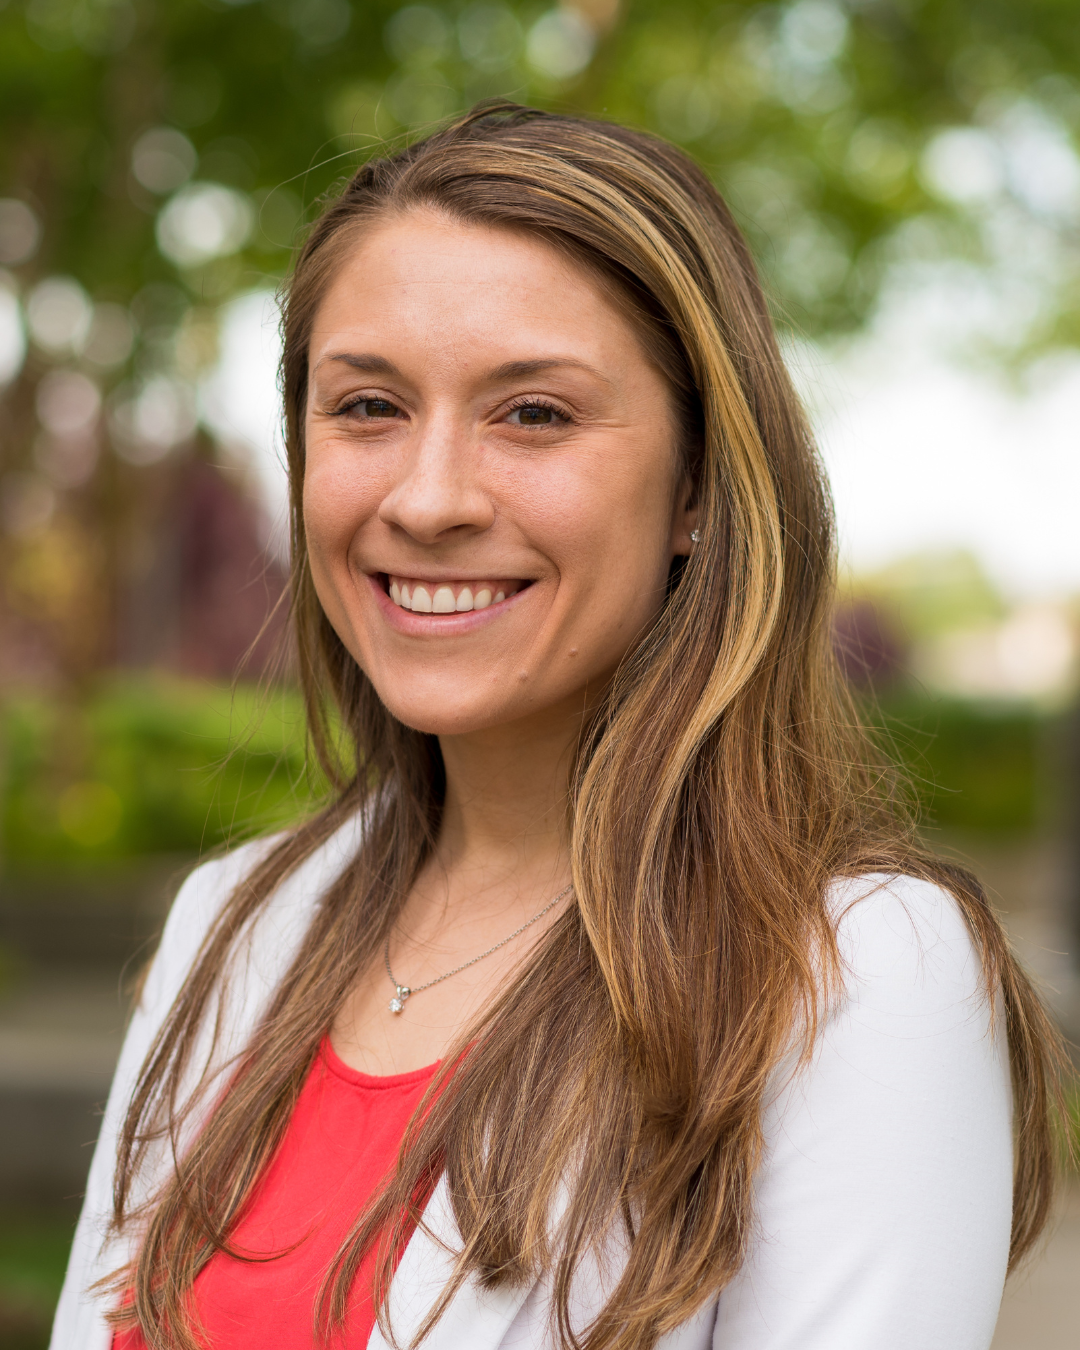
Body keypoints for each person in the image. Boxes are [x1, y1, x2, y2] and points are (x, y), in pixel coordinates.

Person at [51, 103, 1061, 1350]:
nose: (427, 499)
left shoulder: (851, 979)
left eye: (533, 414)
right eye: (367, 406)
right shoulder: (236, 918)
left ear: (697, 487)